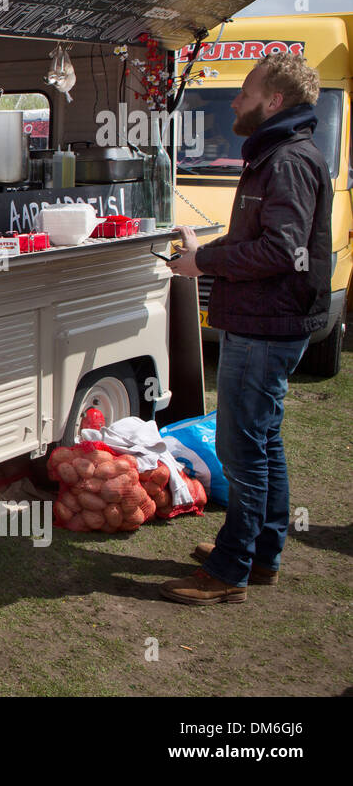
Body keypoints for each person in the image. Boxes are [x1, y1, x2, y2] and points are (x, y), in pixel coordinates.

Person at [161, 51, 331, 605]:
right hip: (267, 320)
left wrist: (204, 265)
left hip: (266, 325)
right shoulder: (278, 154)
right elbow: (263, 238)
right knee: (264, 441)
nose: (235, 101)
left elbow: (280, 250)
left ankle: (229, 570)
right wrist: (201, 251)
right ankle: (262, 555)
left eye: (245, 92)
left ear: (274, 101)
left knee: (242, 451)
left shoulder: (285, 160)